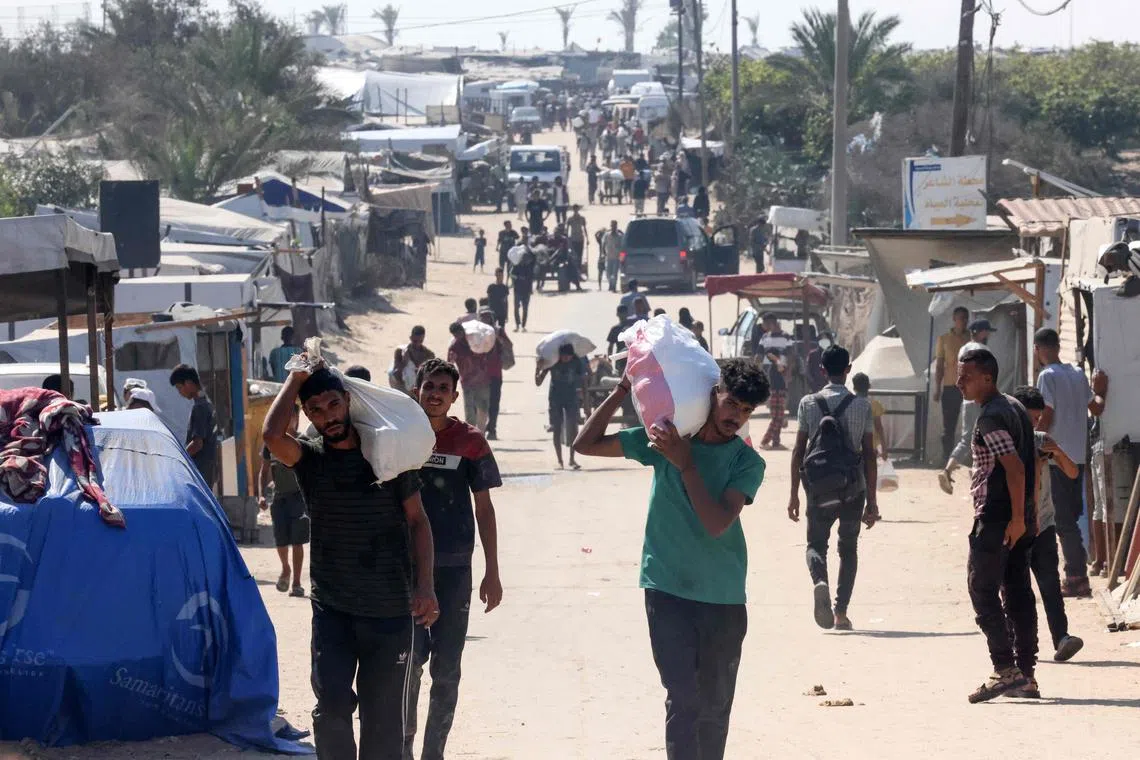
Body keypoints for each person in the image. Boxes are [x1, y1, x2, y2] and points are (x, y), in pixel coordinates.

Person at [572, 359, 769, 760]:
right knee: (683, 700)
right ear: (714, 395)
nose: (736, 416)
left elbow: (716, 523)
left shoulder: (747, 462)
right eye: (731, 403)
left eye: (746, 411)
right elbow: (585, 444)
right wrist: (621, 391)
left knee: (714, 707)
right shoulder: (666, 441)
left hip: (723, 597)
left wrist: (686, 465)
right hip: (666, 589)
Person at [262, 364, 438, 759]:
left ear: (347, 403)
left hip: (391, 609)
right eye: (317, 411)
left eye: (333, 405)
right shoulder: (310, 460)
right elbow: (272, 436)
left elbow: (418, 522)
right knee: (333, 709)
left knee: (383, 717)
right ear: (307, 415)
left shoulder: (386, 456)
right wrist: (295, 380)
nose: (328, 416)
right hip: (333, 610)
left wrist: (426, 586)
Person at [404, 358, 503, 760]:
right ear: (417, 391)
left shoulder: (471, 441)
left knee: (446, 671)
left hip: (455, 570)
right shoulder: (402, 437)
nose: (435, 394)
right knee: (407, 667)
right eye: (429, 386)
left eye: (443, 388)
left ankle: (434, 752)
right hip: (406, 569)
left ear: (454, 396)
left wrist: (492, 573)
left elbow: (485, 509)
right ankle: (403, 748)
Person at [956, 347, 1038, 704]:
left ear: (986, 378)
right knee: (1017, 591)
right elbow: (1027, 464)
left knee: (982, 589)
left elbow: (1015, 468)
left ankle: (1005, 669)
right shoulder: (1014, 407)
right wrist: (1024, 517)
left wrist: (1016, 518)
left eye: (966, 377)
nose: (959, 382)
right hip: (1018, 517)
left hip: (996, 518)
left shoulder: (991, 416)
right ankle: (1026, 676)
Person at [788, 346, 879, 631]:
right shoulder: (862, 405)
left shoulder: (807, 403)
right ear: (848, 369)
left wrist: (793, 494)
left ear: (822, 370)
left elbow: (798, 451)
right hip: (853, 490)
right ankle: (840, 613)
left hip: (818, 490)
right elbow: (869, 455)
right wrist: (872, 502)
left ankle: (820, 581)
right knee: (848, 548)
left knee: (816, 545)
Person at [1012, 385, 1085, 668]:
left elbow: (1072, 471)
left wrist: (1057, 451)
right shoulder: (1004, 441)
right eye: (1028, 419)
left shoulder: (1042, 440)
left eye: (1035, 419)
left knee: (1050, 584)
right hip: (1015, 525)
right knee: (1017, 589)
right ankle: (1017, 649)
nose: (1032, 425)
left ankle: (1062, 638)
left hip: (1043, 524)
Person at [1033, 327, 1106, 599]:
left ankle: (1076, 577)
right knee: (1070, 519)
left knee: (1063, 521)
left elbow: (1047, 413)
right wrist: (1101, 390)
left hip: (1056, 459)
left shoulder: (1047, 376)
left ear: (1039, 349)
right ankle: (1076, 574)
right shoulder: (1077, 374)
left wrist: (1035, 442)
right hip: (1078, 458)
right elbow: (1096, 407)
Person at [258, 403, 309, 598]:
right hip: (279, 498)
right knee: (280, 541)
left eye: (292, 418)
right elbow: (263, 472)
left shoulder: (304, 442)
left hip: (299, 499)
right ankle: (285, 568)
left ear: (297, 419)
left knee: (297, 541)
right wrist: (261, 494)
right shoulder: (271, 443)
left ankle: (296, 583)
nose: (289, 422)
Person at [938, 330, 993, 494]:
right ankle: (978, 475)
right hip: (980, 397)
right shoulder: (983, 350)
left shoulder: (963, 349)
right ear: (981, 333)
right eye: (987, 331)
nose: (988, 335)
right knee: (985, 436)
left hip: (967, 398)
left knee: (968, 438)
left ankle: (951, 470)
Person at [536, 344, 587, 470]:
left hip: (571, 399)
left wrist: (586, 404)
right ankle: (560, 461)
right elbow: (538, 382)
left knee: (573, 429)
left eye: (567, 356)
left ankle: (572, 459)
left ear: (571, 356)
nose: (565, 358)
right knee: (556, 429)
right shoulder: (553, 362)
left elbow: (584, 381)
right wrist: (538, 368)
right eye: (563, 356)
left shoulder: (576, 362)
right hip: (555, 399)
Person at [170, 364, 218, 490]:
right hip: (208, 471)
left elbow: (197, 444)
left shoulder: (199, 408)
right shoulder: (207, 403)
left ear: (189, 383)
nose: (180, 392)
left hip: (200, 472)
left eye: (180, 387)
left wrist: (179, 458)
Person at [934, 307, 971, 461]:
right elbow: (939, 365)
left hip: (969, 387)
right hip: (950, 385)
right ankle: (946, 457)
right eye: (960, 318)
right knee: (949, 424)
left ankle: (970, 457)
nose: (963, 321)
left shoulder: (971, 338)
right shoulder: (943, 339)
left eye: (965, 318)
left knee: (971, 422)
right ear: (954, 319)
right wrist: (937, 388)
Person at [447, 322, 492, 431]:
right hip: (467, 382)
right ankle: (471, 435)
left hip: (482, 380)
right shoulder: (454, 347)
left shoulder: (475, 340)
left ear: (463, 331)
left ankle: (481, 434)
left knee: (483, 408)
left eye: (460, 333)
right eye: (456, 335)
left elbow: (486, 352)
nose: (458, 336)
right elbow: (449, 364)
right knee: (470, 412)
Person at [757, 313, 792, 450]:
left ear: (771, 323)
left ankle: (776, 441)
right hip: (772, 379)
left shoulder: (786, 337)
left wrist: (788, 373)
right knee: (777, 414)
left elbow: (791, 355)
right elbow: (759, 355)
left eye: (764, 323)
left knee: (778, 412)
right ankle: (766, 440)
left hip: (781, 377)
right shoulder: (765, 337)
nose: (763, 326)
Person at [480, 310, 512, 441]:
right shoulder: (475, 333)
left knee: (494, 403)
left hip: (494, 373)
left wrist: (497, 338)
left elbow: (509, 345)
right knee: (480, 403)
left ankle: (492, 429)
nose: (485, 321)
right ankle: (481, 429)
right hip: (479, 375)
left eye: (488, 318)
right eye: (483, 318)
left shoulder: (498, 331)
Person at [852, 373, 889, 462]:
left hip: (854, 446)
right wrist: (884, 448)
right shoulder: (874, 404)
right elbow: (879, 428)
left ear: (854, 388)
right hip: (872, 446)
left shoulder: (850, 404)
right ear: (869, 386)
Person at [390, 326, 436, 395]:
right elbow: (396, 374)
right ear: (410, 338)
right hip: (401, 389)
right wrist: (404, 362)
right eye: (415, 341)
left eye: (421, 341)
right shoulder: (400, 351)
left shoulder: (428, 355)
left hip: (417, 391)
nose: (417, 344)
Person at [511, 245, 536, 332]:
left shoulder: (529, 268)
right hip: (517, 290)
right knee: (516, 308)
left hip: (526, 291)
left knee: (525, 309)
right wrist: (518, 278)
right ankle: (517, 325)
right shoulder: (516, 266)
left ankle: (523, 325)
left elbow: (531, 279)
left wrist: (531, 289)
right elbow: (512, 274)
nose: (525, 260)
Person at [601, 221, 624, 293]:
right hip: (608, 257)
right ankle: (611, 284)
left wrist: (622, 259)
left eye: (614, 226)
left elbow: (623, 248)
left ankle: (613, 287)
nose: (613, 227)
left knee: (614, 273)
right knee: (608, 273)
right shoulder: (607, 235)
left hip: (616, 258)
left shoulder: (620, 236)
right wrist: (603, 253)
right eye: (612, 226)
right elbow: (603, 244)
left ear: (616, 226)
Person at [566, 205, 588, 270]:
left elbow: (584, 228)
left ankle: (579, 268)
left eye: (577, 209)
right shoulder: (570, 219)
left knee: (580, 253)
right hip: (573, 238)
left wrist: (587, 238)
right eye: (575, 209)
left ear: (578, 210)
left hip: (580, 238)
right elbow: (567, 229)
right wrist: (567, 237)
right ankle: (574, 268)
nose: (576, 211)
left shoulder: (582, 218)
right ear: (573, 210)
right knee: (573, 254)